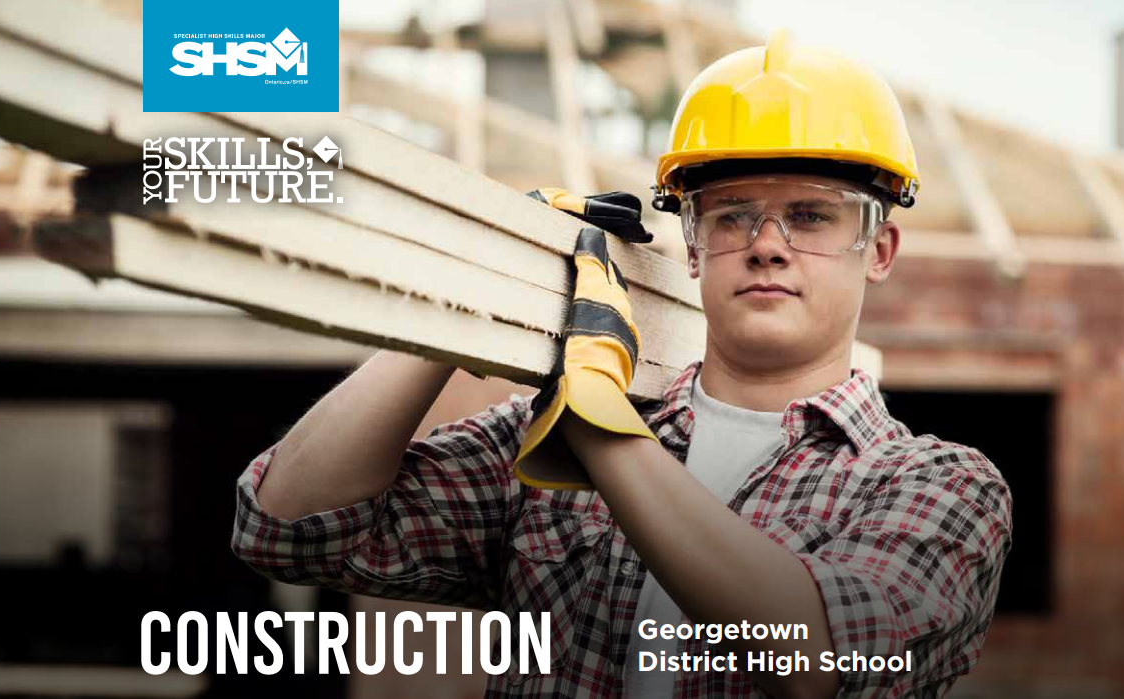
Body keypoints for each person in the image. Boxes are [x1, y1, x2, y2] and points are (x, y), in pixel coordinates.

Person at [232, 30, 1012, 699]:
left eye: (810, 215)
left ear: (879, 249)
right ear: (693, 244)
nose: (767, 244)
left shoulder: (940, 485)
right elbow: (287, 527)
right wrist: (469, 294)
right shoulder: (537, 442)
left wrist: (593, 423)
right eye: (733, 215)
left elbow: (815, 660)